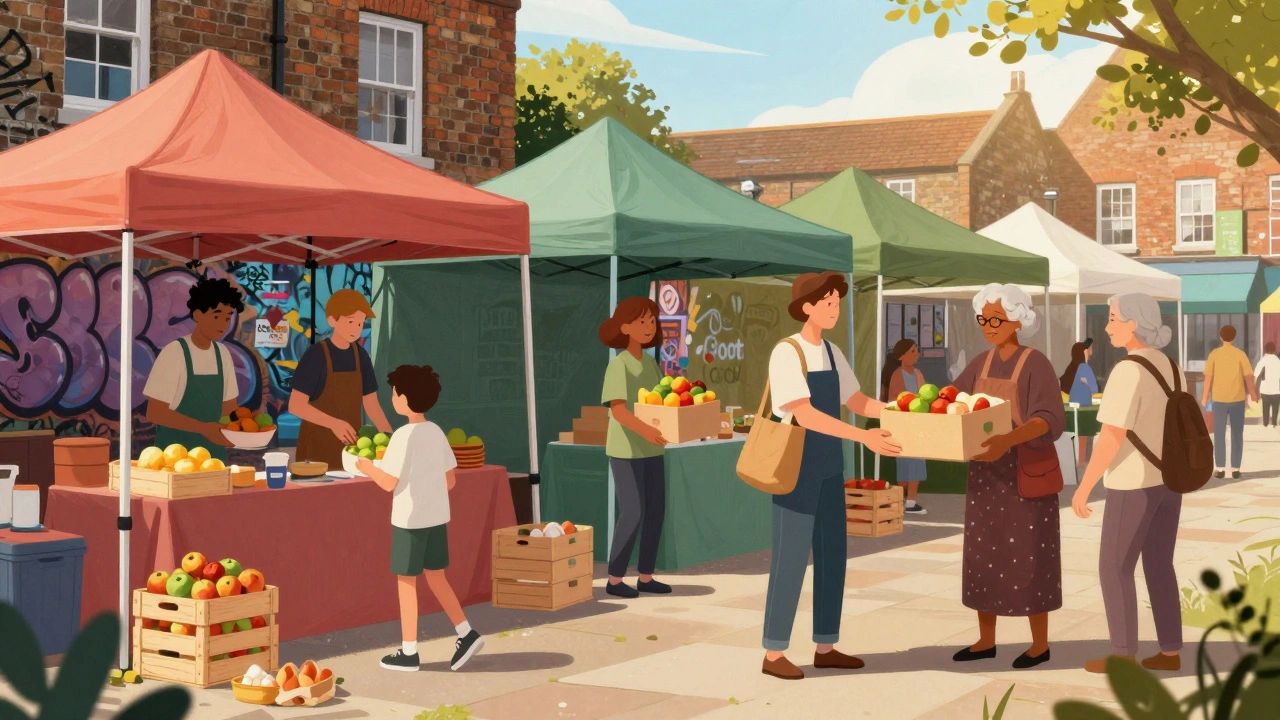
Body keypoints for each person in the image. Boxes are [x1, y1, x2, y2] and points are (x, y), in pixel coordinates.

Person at [760, 271, 901, 681]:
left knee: (832, 556)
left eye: (837, 302)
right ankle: (773, 652)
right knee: (789, 559)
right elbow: (804, 414)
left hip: (829, 467)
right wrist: (863, 437)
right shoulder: (787, 352)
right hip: (796, 468)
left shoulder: (833, 351)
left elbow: (856, 400)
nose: (835, 309)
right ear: (806, 307)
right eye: (827, 303)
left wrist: (901, 411)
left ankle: (826, 645)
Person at [950, 283, 1065, 670]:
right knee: (984, 557)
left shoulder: (1036, 363)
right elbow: (954, 396)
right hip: (986, 475)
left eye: (996, 320)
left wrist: (1008, 440)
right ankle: (986, 640)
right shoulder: (980, 363)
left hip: (1025, 474)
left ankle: (1039, 645)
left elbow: (1049, 419)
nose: (988, 327)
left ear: (1018, 320)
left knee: (1031, 560)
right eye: (983, 320)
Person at [1071, 293, 1184, 674]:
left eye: (1113, 319)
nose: (1107, 327)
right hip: (1169, 480)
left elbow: (1111, 436)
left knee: (1114, 568)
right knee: (1159, 565)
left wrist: (1084, 487)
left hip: (1133, 482)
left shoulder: (1127, 370)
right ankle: (1170, 651)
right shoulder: (1171, 367)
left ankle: (1123, 655)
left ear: (1133, 323)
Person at [357, 364, 484, 673]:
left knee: (406, 582)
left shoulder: (403, 436)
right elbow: (450, 480)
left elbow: (389, 483)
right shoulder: (436, 432)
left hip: (410, 520)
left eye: (394, 393)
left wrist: (366, 467)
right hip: (436, 518)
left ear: (404, 398)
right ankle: (466, 632)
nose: (392, 398)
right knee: (437, 577)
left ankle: (409, 652)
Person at [599, 296, 672, 599]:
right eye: (641, 321)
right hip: (626, 451)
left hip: (652, 450)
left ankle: (646, 576)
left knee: (655, 511)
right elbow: (619, 411)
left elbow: (659, 401)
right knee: (633, 511)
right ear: (625, 327)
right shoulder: (618, 366)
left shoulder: (652, 363)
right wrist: (648, 430)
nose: (648, 327)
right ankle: (615, 579)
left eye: (652, 321)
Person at [289, 289, 392, 467]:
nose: (356, 329)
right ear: (332, 320)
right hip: (316, 450)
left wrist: (390, 438)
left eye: (360, 323)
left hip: (350, 449)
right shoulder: (316, 355)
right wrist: (333, 423)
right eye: (351, 321)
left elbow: (371, 404)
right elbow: (296, 405)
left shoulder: (361, 356)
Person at [145, 277, 241, 461]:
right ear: (197, 315)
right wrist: (204, 428)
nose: (223, 324)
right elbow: (155, 412)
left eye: (227, 317)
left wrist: (245, 427)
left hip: (214, 458)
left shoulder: (223, 354)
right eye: (216, 316)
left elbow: (229, 410)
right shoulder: (175, 352)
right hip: (174, 457)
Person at [1201, 325, 1257, 479]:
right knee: (1237, 434)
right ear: (1234, 337)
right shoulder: (1240, 354)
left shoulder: (1214, 354)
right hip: (1237, 400)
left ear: (1221, 337)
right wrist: (1253, 394)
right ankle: (1235, 468)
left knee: (1219, 434)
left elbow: (1208, 378)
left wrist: (1204, 397)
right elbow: (1248, 376)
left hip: (1218, 400)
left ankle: (1220, 468)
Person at [883, 338, 928, 515]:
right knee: (904, 465)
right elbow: (895, 400)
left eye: (917, 350)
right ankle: (898, 501)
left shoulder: (919, 374)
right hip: (903, 425)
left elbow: (924, 396)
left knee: (917, 464)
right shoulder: (897, 375)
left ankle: (911, 502)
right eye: (912, 351)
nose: (917, 354)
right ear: (901, 356)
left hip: (918, 425)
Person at [1060, 339, 1099, 465]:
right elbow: (1094, 388)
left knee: (1076, 432)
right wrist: (1088, 383)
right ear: (1084, 351)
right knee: (1084, 433)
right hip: (1084, 405)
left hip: (1073, 404)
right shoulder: (1085, 368)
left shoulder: (1072, 367)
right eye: (1089, 349)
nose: (1091, 352)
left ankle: (1077, 460)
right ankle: (1081, 460)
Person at [1257, 343, 1280, 428]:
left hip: (1265, 389)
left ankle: (1265, 424)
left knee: (1265, 409)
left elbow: (1256, 374)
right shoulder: (1278, 361)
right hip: (1276, 390)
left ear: (1265, 350)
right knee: (1275, 409)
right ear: (1274, 350)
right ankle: (1274, 424)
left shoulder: (1263, 360)